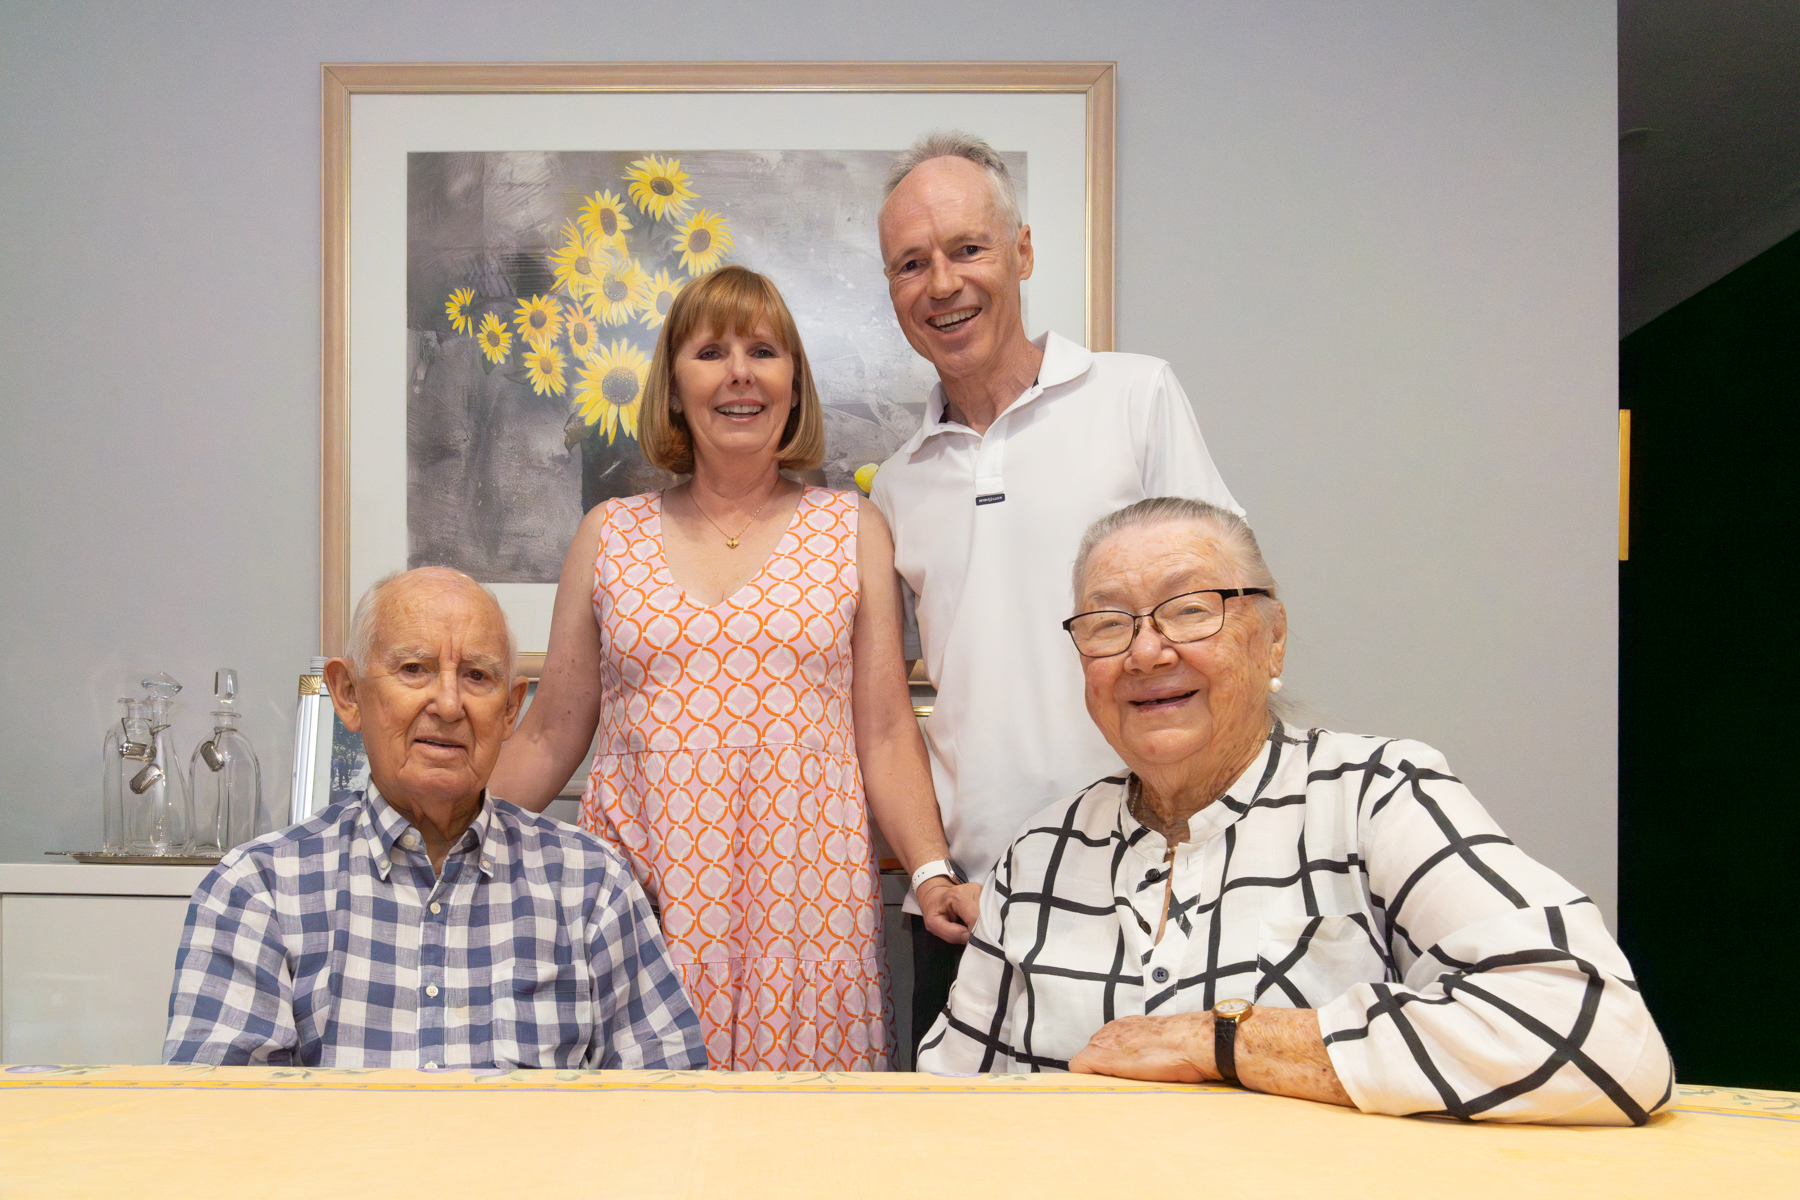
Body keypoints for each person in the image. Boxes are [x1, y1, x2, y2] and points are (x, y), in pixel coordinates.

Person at [917, 498, 1673, 1125]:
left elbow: (1604, 1037)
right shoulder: (1040, 853)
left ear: (1272, 639)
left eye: (1189, 610)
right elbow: (945, 1102)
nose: (1145, 653)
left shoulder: (1377, 794)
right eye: (1108, 624)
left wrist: (1230, 1043)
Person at [490, 265, 973, 1070]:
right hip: (643, 906)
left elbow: (886, 732)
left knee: (801, 1168)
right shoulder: (607, 534)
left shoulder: (852, 528)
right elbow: (547, 736)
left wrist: (928, 875)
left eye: (764, 351)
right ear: (675, 387)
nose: (740, 373)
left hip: (806, 916)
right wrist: (433, 838)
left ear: (793, 385)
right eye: (711, 351)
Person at [870, 131, 1242, 1050]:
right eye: (911, 264)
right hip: (976, 910)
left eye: (967, 249)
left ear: (1022, 252)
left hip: (1158, 888)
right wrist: (928, 875)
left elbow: (1231, 616)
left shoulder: (1134, 397)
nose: (942, 284)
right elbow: (888, 710)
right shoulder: (898, 482)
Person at [164, 567, 705, 1070]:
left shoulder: (591, 885)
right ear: (348, 694)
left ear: (511, 709)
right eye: (414, 669)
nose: (448, 704)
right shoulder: (259, 891)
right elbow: (216, 1128)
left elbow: (669, 1108)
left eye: (476, 676)